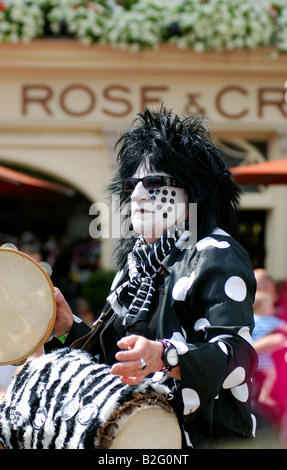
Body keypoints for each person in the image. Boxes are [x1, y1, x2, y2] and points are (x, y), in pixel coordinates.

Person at [49, 107, 258, 449]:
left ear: (193, 191)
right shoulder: (135, 266)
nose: (138, 195)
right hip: (140, 437)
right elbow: (112, 359)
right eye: (131, 184)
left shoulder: (215, 251)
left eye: (156, 183)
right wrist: (66, 327)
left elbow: (239, 357)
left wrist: (166, 356)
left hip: (205, 438)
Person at [252, 290, 287, 407]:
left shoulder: (250, 319)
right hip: (264, 359)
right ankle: (264, 395)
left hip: (250, 359)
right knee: (271, 376)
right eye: (271, 305)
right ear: (262, 309)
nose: (273, 308)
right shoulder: (270, 320)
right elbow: (284, 327)